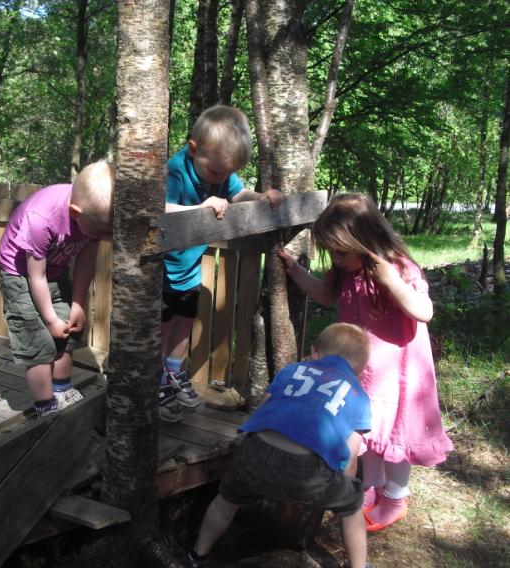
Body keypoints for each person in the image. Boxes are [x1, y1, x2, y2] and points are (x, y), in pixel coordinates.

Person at [276, 192, 453, 532]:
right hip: (366, 371)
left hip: (400, 372)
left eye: (341, 252)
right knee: (369, 432)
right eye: (332, 252)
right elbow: (326, 295)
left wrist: (392, 282)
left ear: (365, 241)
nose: (336, 259)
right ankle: (370, 490)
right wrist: (296, 271)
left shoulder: (399, 268)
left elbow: (424, 311)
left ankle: (396, 498)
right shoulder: (344, 272)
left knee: (396, 438)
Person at [185, 323, 372, 568]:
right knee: (352, 506)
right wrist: (343, 486)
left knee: (226, 499)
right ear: (360, 369)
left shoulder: (292, 371)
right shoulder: (359, 396)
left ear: (314, 352)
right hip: (309, 473)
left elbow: (263, 410)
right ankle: (359, 565)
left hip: (257, 453)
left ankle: (198, 554)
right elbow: (350, 457)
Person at [160, 105, 282, 422]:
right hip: (161, 269)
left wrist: (260, 197)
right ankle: (157, 383)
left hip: (188, 270)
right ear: (193, 149)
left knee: (184, 325)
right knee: (159, 329)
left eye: (227, 173)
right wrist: (202, 208)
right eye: (216, 172)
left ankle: (174, 373)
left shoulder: (221, 171)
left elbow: (238, 193)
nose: (221, 179)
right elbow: (159, 207)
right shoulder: (175, 169)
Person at [0, 160, 115, 417]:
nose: (104, 238)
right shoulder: (40, 218)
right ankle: (45, 404)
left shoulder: (94, 217)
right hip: (19, 275)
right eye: (100, 233)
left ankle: (62, 389)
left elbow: (85, 263)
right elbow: (35, 276)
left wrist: (78, 304)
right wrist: (49, 319)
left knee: (67, 332)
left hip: (56, 270)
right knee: (36, 341)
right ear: (74, 213)